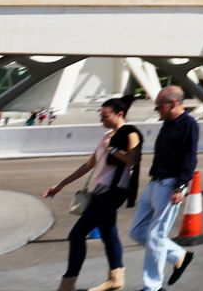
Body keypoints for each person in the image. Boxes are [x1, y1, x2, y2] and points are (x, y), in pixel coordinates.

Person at [43, 97, 142, 291]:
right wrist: (60, 185)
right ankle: (116, 278)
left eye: (105, 115)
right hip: (100, 191)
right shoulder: (106, 136)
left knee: (77, 234)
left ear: (119, 114)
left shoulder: (130, 133)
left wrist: (113, 150)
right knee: (108, 233)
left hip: (113, 192)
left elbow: (133, 159)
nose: (101, 120)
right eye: (101, 115)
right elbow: (89, 165)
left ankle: (67, 284)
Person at [129, 86, 199, 291]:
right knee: (137, 232)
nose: (157, 110)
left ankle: (152, 287)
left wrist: (181, 186)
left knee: (156, 235)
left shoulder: (189, 124)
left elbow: (190, 157)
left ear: (173, 103)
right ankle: (179, 256)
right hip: (155, 182)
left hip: (171, 185)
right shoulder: (168, 123)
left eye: (159, 106)